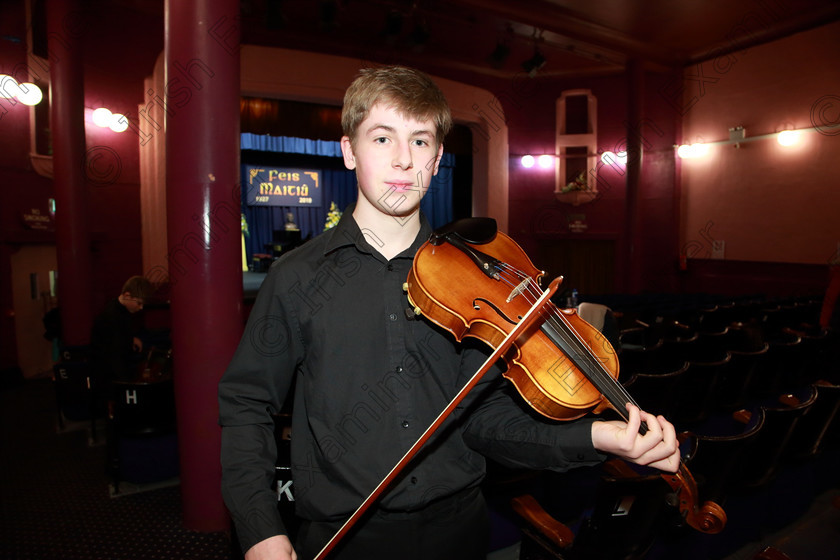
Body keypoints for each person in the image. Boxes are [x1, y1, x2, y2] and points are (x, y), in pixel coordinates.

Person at [218, 66, 679, 560]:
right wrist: (260, 528)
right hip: (345, 538)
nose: (402, 160)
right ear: (349, 151)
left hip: (459, 531)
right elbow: (247, 406)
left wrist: (601, 436)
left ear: (437, 160)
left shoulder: (479, 283)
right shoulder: (296, 278)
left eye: (420, 142)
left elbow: (486, 423)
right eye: (381, 137)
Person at [89, 275, 154, 389]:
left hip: (115, 369)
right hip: (108, 377)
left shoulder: (122, 309)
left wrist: (131, 338)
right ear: (127, 295)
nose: (141, 307)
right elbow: (114, 356)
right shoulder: (111, 316)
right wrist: (127, 385)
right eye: (138, 303)